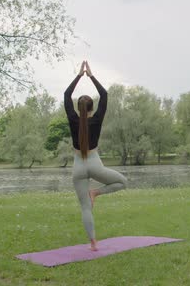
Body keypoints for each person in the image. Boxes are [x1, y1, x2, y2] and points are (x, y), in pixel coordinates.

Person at [64, 60, 127, 251]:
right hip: (95, 164)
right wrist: (90, 75)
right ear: (91, 108)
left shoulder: (73, 119)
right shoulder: (97, 118)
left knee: (85, 208)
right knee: (122, 182)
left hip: (78, 167)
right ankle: (96, 193)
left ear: (77, 108)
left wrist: (78, 75)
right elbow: (105, 94)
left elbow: (66, 94)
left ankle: (93, 243)